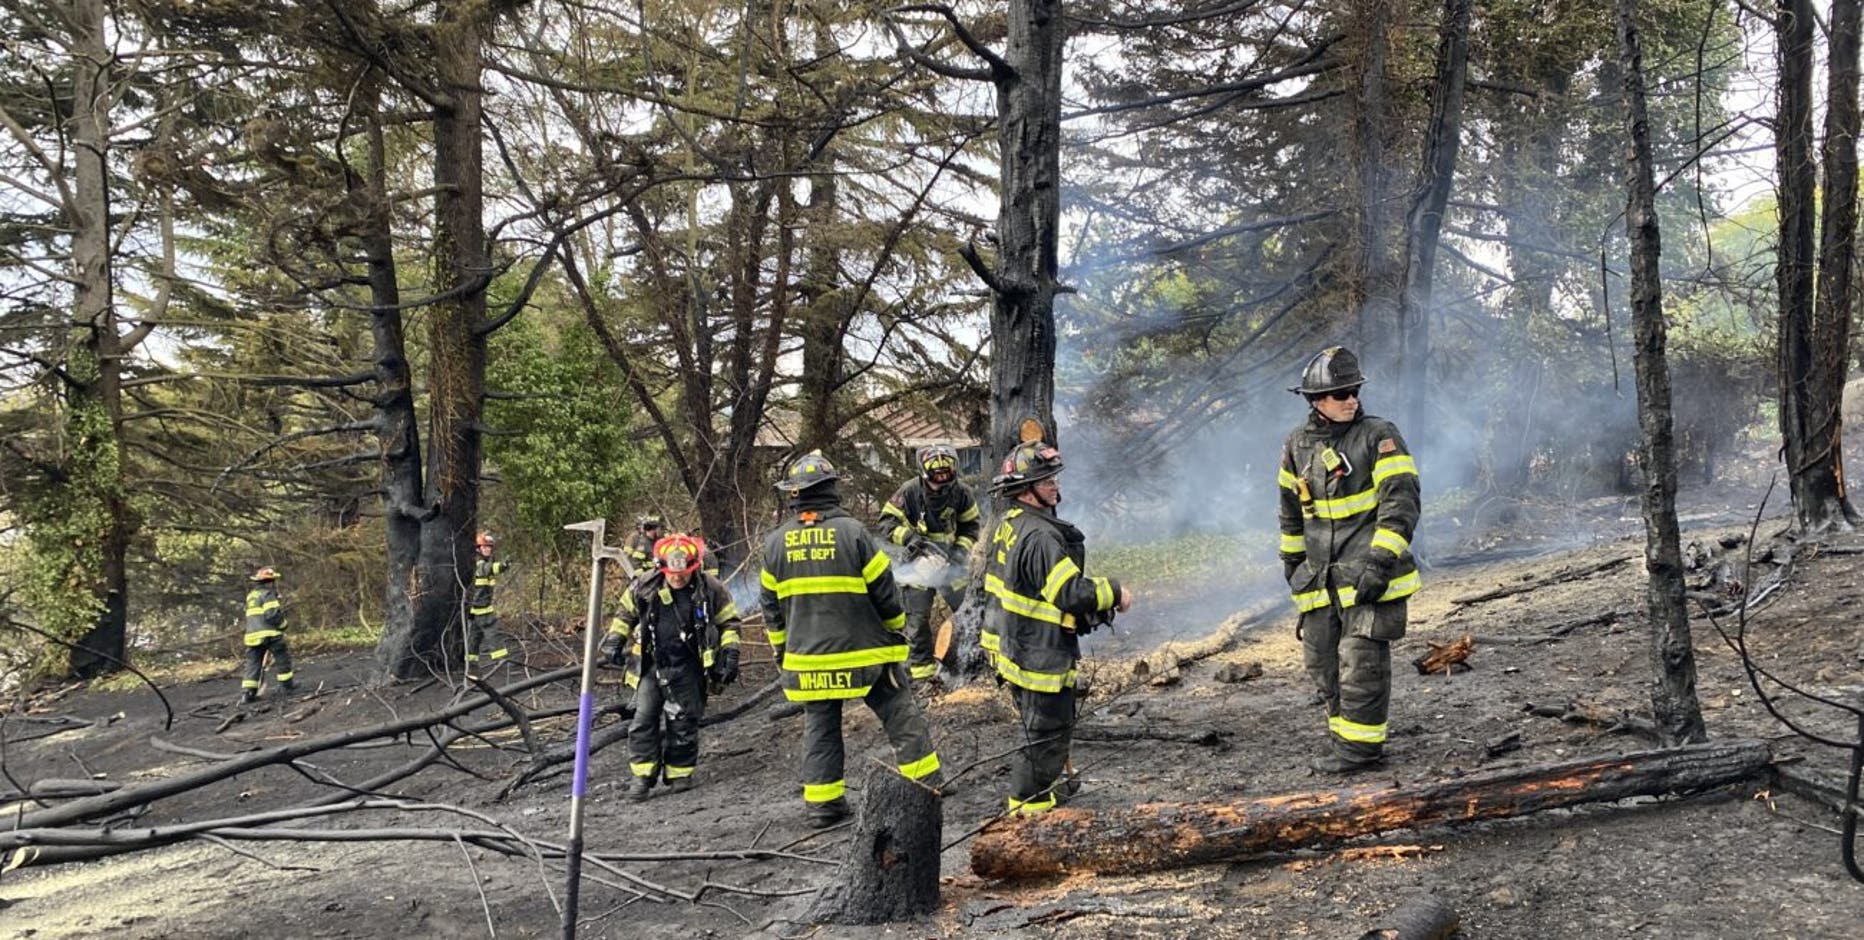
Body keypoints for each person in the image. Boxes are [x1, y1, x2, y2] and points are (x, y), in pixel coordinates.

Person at [758, 450, 946, 827]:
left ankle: (823, 805)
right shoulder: (854, 534)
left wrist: (782, 651)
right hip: (866, 654)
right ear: (831, 490)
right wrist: (896, 628)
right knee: (898, 709)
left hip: (807, 661)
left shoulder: (774, 544)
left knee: (821, 726)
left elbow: (771, 610)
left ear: (795, 494)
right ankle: (924, 782)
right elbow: (885, 592)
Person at [1277, 346, 1421, 773]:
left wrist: (1380, 561)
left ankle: (1361, 752)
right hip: (1319, 581)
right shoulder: (1297, 445)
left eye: (1354, 391)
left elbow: (1401, 504)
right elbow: (1289, 511)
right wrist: (1292, 567)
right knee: (1322, 665)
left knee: (1361, 662)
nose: (1351, 400)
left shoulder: (1379, 436)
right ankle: (1345, 740)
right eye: (1341, 394)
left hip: (1368, 578)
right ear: (1316, 401)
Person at [984, 441, 1131, 814]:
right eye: (1045, 480)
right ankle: (1029, 814)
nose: (1054, 486)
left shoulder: (1008, 526)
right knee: (1047, 737)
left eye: (1053, 477)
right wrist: (1114, 592)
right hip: (1040, 656)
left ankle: (1042, 797)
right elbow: (1068, 592)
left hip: (1015, 649)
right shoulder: (1040, 536)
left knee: (1040, 732)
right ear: (1024, 489)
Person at [599, 534, 743, 800]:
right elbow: (624, 614)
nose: (677, 578)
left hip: (690, 665)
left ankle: (679, 773)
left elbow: (729, 623)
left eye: (683, 573)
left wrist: (730, 652)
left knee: (684, 720)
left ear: (694, 566)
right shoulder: (644, 585)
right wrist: (615, 640)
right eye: (671, 573)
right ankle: (642, 776)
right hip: (651, 664)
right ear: (661, 567)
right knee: (643, 720)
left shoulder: (710, 588)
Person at [877, 443, 982, 684]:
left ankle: (973, 662)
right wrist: (911, 540)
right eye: (937, 476)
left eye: (946, 475)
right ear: (924, 473)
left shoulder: (961, 493)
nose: (942, 481)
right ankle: (923, 676)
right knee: (917, 619)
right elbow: (886, 523)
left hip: (951, 565)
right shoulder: (909, 492)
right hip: (919, 564)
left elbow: (971, 527)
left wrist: (958, 554)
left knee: (968, 609)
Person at [240, 567, 296, 703]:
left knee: (253, 664)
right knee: (282, 658)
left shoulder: (251, 596)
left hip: (252, 636)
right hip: (270, 635)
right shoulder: (268, 595)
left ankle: (248, 693)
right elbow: (272, 615)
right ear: (269, 582)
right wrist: (283, 625)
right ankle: (286, 686)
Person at [466, 531, 512, 679]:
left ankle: (471, 667)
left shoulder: (479, 562)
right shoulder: (479, 564)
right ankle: (502, 663)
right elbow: (489, 569)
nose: (488, 550)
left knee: (473, 639)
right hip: (481, 610)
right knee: (494, 634)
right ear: (478, 548)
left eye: (490, 547)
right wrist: (504, 565)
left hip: (473, 611)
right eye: (485, 547)